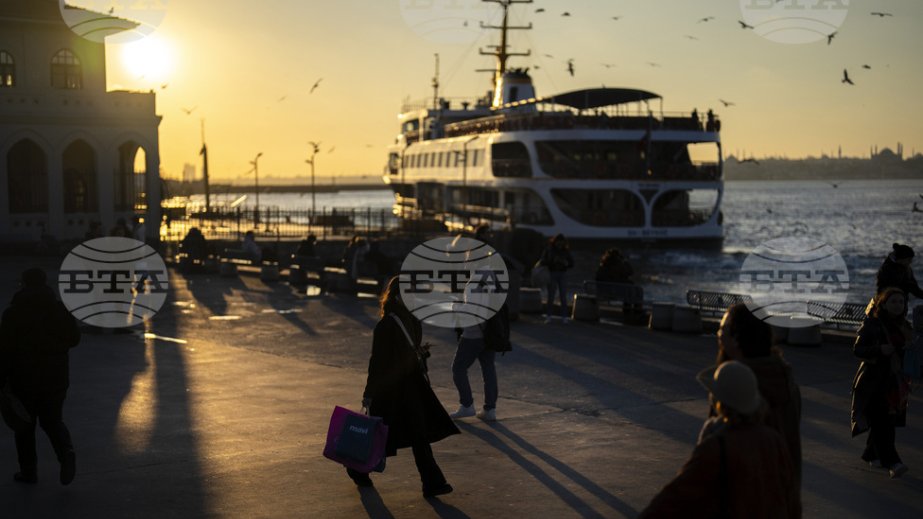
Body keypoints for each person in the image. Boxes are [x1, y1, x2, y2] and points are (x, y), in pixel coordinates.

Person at [640, 361, 797, 518]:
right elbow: (790, 495)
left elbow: (677, 494)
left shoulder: (717, 445)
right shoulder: (773, 439)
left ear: (718, 401)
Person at [350, 277, 459, 497]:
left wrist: (419, 353)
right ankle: (357, 469)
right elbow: (377, 361)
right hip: (390, 391)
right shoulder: (388, 324)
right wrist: (369, 393)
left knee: (418, 434)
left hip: (410, 387)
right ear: (399, 295)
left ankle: (432, 483)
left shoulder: (411, 319)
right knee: (381, 436)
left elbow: (408, 350)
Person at [700, 303, 802, 513]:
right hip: (781, 495)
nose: (718, 334)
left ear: (736, 339)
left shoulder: (736, 386)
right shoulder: (784, 379)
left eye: (722, 329)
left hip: (742, 501)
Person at [0, 268, 80, 485]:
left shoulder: (13, 313)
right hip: (56, 378)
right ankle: (66, 452)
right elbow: (74, 339)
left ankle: (29, 472)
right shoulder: (59, 310)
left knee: (24, 427)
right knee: (53, 420)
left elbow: (4, 350)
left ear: (23, 284)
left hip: (23, 379)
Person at [851, 287, 912, 479]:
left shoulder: (904, 326)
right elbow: (858, 349)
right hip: (873, 382)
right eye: (893, 301)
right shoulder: (873, 324)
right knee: (883, 422)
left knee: (887, 420)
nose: (897, 305)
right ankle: (892, 461)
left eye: (901, 302)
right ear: (883, 304)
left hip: (894, 382)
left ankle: (871, 453)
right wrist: (879, 349)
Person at [449, 304, 509, 422]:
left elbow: (473, 309)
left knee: (458, 368)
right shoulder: (491, 285)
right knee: (488, 369)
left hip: (473, 334)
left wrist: (456, 307)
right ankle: (490, 409)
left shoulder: (474, 285)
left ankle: (467, 405)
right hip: (490, 333)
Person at [595, 247, 642, 319]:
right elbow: (630, 271)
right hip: (615, 292)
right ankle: (635, 310)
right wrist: (625, 261)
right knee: (635, 289)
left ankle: (630, 310)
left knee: (629, 287)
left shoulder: (602, 266)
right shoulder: (618, 265)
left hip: (604, 291)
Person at [539, 233, 574, 324]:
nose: (560, 244)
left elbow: (572, 263)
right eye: (558, 242)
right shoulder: (549, 250)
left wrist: (565, 263)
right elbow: (542, 261)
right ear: (555, 242)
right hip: (552, 273)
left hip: (562, 273)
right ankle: (549, 316)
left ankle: (564, 317)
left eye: (561, 243)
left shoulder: (565, 251)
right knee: (551, 296)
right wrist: (552, 261)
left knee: (563, 296)